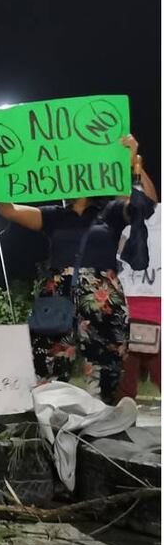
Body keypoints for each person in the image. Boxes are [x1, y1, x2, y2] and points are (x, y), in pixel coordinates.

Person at [0, 134, 155, 404]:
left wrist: (130, 162)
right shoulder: (53, 215)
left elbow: (147, 203)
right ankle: (51, 419)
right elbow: (9, 210)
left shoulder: (111, 211)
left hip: (104, 298)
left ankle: (102, 421)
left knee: (106, 369)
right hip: (57, 296)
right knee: (48, 364)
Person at [118, 159, 160, 399]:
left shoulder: (157, 218)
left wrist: (133, 161)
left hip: (154, 310)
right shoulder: (114, 224)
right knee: (124, 381)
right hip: (125, 314)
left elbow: (150, 196)